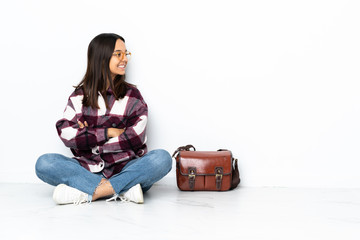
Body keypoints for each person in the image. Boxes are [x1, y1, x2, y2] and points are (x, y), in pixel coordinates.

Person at [35, 33, 172, 205]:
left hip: (126, 169)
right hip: (88, 169)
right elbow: (66, 133)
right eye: (118, 54)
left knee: (162, 158)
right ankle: (123, 190)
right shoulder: (78, 96)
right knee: (44, 163)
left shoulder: (133, 96)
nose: (125, 59)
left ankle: (88, 192)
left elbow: (137, 137)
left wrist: (88, 136)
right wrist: (109, 132)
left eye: (126, 54)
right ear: (101, 57)